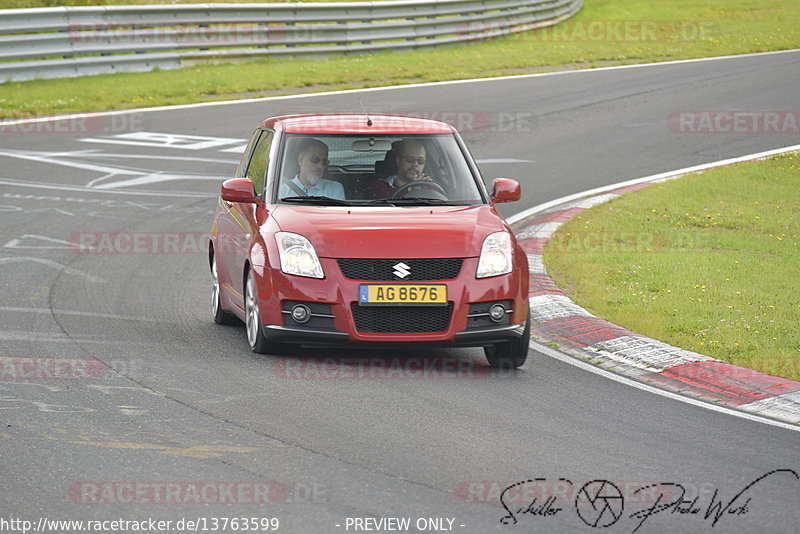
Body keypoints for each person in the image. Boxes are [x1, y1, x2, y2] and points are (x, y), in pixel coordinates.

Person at [279, 138, 345, 200]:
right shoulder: (283, 189)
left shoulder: (334, 188)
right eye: (315, 160)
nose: (320, 166)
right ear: (301, 160)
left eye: (324, 162)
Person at [368, 139, 434, 199]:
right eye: (409, 160)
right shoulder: (380, 187)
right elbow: (382, 205)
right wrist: (410, 189)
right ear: (399, 161)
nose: (415, 164)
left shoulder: (429, 187)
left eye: (420, 161)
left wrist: (428, 191)